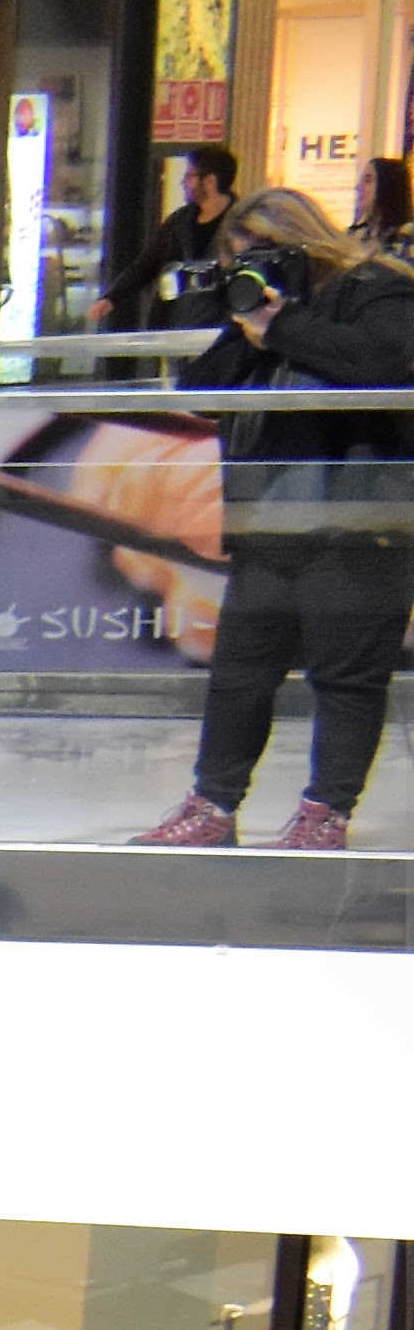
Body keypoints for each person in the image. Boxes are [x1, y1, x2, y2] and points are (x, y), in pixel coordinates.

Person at [139, 187, 414, 850]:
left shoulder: (380, 288)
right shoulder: (260, 315)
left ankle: (325, 813)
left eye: (260, 257)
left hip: (362, 525)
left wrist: (285, 323)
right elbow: (203, 393)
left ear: (301, 241)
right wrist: (248, 321)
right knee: (239, 676)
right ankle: (212, 805)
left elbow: (383, 363)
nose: (253, 273)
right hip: (270, 528)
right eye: (241, 262)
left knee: (346, 678)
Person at [107, 142, 239, 335]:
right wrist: (112, 297)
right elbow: (147, 263)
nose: (183, 182)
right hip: (178, 325)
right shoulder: (180, 222)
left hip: (221, 330)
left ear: (210, 181)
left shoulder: (244, 223)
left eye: (189, 176)